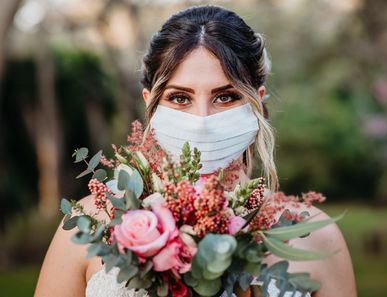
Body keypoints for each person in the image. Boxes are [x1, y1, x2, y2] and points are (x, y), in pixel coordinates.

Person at [34, 4, 357, 297]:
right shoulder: (92, 223)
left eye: (226, 97)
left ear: (257, 102)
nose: (202, 120)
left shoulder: (316, 237)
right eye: (179, 98)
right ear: (151, 105)